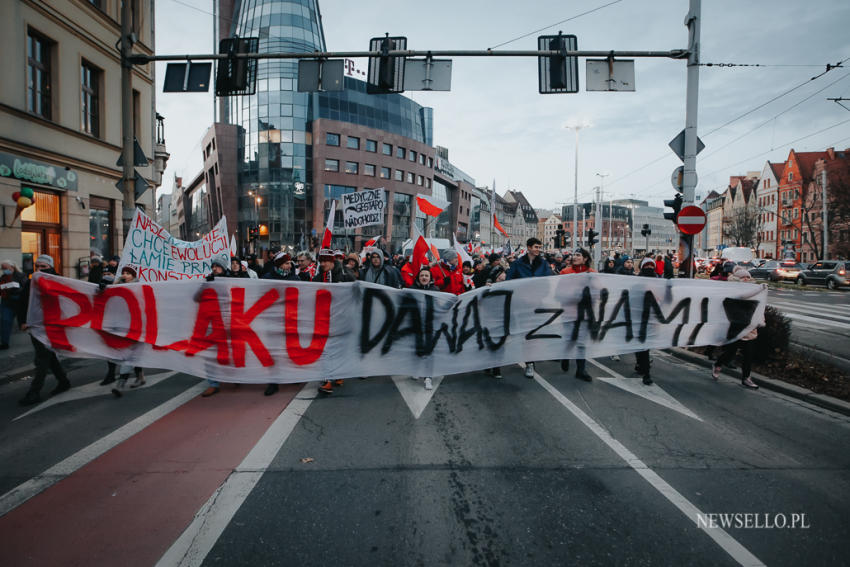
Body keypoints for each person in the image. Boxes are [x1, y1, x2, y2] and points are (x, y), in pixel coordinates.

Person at [18, 255, 72, 406]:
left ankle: (34, 391)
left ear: (51, 267)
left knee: (42, 358)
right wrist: (22, 321)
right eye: (38, 267)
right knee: (48, 355)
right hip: (36, 325)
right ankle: (63, 381)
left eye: (44, 267)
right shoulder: (31, 282)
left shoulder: (58, 281)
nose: (40, 270)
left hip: (52, 326)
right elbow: (23, 302)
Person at [506, 238, 553, 379]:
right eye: (536, 247)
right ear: (529, 248)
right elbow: (509, 281)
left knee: (531, 335)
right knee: (519, 334)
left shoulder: (543, 264)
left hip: (537, 304)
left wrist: (538, 296)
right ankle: (521, 357)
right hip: (521, 304)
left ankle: (530, 363)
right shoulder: (518, 264)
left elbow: (548, 283)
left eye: (539, 246)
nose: (538, 249)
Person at [712, 266, 761, 389]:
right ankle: (718, 364)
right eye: (742, 277)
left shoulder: (756, 292)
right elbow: (737, 299)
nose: (745, 279)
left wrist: (761, 321)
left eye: (747, 277)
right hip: (735, 328)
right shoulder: (732, 291)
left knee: (748, 355)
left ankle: (746, 378)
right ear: (736, 279)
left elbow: (759, 309)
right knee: (730, 352)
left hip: (749, 328)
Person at [315, 249, 355, 395]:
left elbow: (354, 295)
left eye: (325, 261)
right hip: (325, 318)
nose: (323, 264)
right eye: (321, 261)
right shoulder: (319, 276)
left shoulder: (346, 275)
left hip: (342, 318)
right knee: (326, 348)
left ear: (332, 261)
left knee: (339, 347)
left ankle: (337, 375)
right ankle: (327, 380)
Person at [108, 266, 146, 397]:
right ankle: (140, 377)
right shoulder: (118, 286)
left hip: (136, 326)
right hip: (122, 326)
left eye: (128, 273)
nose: (125, 275)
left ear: (134, 276)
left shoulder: (139, 287)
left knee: (129, 354)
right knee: (132, 353)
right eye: (123, 273)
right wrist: (113, 285)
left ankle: (121, 384)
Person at [559, 248, 595, 381]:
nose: (574, 257)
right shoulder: (565, 272)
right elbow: (558, 294)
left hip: (585, 314)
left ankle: (581, 370)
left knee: (581, 342)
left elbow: (599, 292)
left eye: (578, 255)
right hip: (569, 313)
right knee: (570, 338)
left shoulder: (592, 274)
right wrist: (571, 295)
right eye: (574, 255)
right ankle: (565, 356)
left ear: (585, 258)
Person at [409, 267, 441, 390]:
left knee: (429, 351)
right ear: (418, 277)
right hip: (415, 325)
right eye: (422, 275)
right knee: (417, 349)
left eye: (426, 276)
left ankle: (428, 378)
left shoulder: (435, 290)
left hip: (430, 325)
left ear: (430, 278)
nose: (424, 278)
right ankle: (417, 370)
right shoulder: (411, 290)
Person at [633, 258, 659, 385]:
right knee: (641, 345)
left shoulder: (659, 283)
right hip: (639, 318)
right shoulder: (636, 284)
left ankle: (644, 368)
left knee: (645, 346)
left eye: (651, 266)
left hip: (651, 319)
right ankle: (645, 371)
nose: (649, 268)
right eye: (647, 266)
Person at [1, 260, 27, 350]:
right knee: (5, 321)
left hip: (18, 301)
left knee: (24, 322)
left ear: (11, 267)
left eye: (5, 268)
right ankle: (4, 342)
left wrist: (15, 288)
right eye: (2, 268)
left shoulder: (21, 275)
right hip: (7, 302)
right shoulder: (3, 277)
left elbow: (25, 288)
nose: (3, 270)